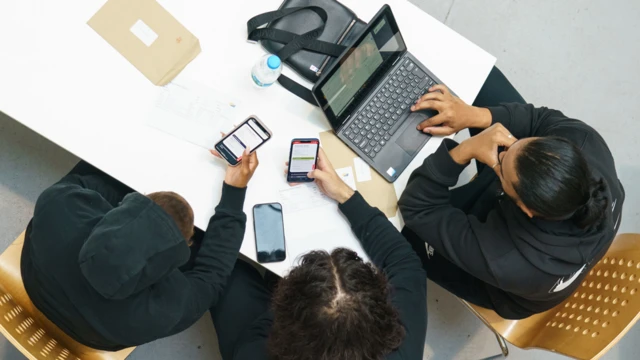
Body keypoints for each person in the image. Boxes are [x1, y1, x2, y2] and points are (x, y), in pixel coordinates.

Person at [398, 67, 625, 319]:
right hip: (529, 232)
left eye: (502, 163)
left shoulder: (508, 258)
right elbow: (539, 120)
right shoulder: (585, 143)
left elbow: (417, 207)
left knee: (397, 227)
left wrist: (466, 150)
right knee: (483, 76)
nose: (502, 146)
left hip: (496, 280)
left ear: (525, 207)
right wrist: (473, 115)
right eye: (518, 143)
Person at [21, 148, 259, 350]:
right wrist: (234, 193)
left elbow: (84, 182)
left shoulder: (58, 207)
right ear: (185, 244)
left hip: (37, 284)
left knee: (94, 169)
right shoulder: (167, 308)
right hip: (93, 336)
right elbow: (213, 275)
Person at [210, 149, 427, 360]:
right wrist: (344, 193)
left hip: (269, 331)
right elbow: (405, 263)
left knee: (225, 273)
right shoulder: (403, 344)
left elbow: (256, 335)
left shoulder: (254, 353)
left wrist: (281, 307)